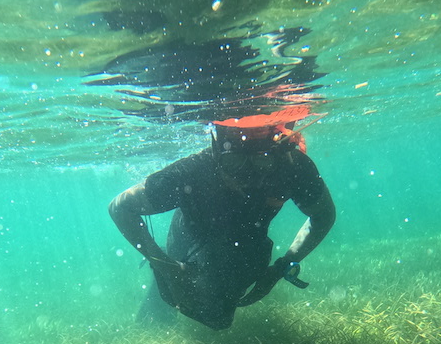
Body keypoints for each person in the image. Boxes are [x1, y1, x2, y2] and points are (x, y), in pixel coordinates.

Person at [108, 108, 336, 330]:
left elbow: (324, 216)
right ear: (217, 152)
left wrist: (280, 268)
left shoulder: (291, 166)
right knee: (195, 313)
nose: (248, 177)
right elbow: (120, 207)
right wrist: (168, 269)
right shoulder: (195, 170)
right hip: (189, 243)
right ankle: (164, 289)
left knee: (221, 317)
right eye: (235, 162)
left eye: (261, 162)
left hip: (246, 247)